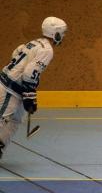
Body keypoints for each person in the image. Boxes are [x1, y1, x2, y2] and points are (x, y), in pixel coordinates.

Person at [0, 17, 67, 159]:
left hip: (14, 87)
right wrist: (30, 95)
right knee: (2, 119)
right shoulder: (47, 50)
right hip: (10, 89)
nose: (63, 36)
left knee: (15, 120)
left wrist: (28, 95)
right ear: (55, 33)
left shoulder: (35, 42)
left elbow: (16, 52)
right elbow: (29, 73)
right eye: (62, 33)